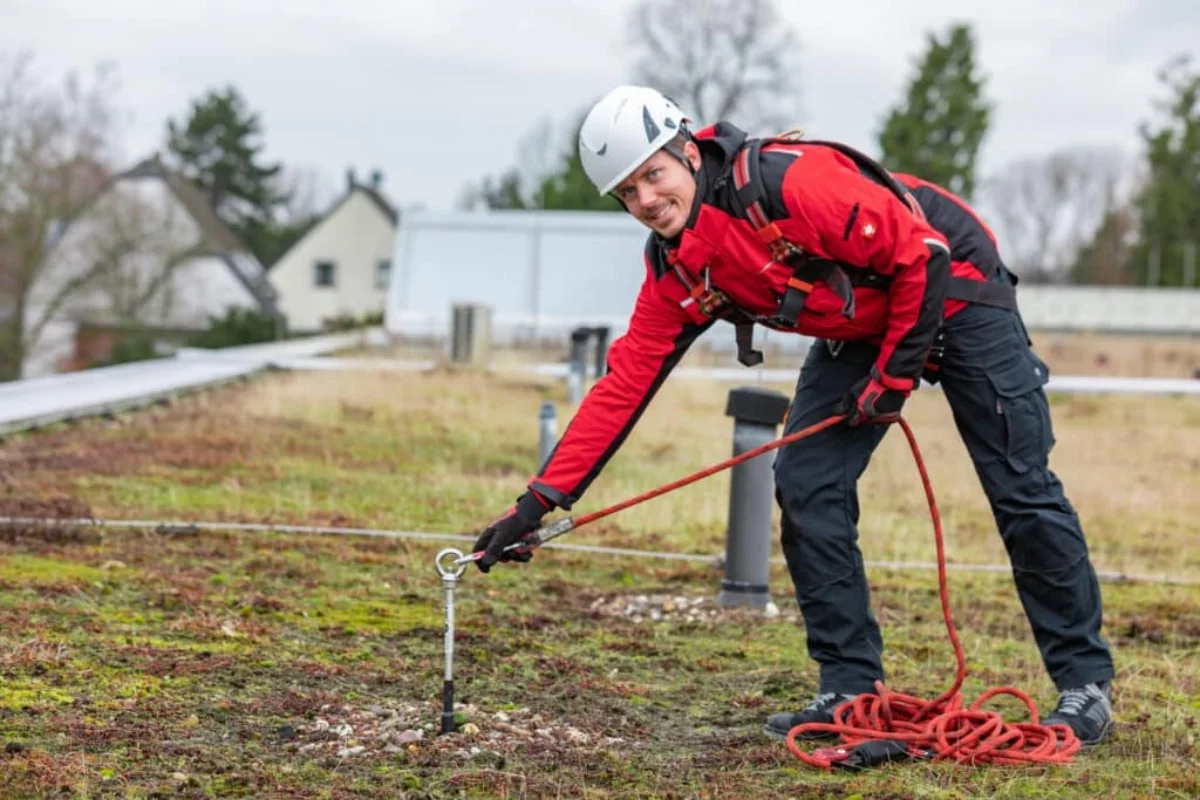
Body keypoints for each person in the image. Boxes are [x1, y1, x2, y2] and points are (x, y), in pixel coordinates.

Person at [471, 85, 1115, 746]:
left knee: (1019, 487)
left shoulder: (790, 182)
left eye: (652, 176)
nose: (644, 201)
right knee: (806, 480)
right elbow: (623, 384)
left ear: (688, 153)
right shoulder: (677, 269)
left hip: (954, 288)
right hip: (861, 320)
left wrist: (893, 379)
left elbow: (923, 256)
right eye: (626, 193)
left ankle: (1084, 685)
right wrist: (534, 505)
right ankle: (849, 688)